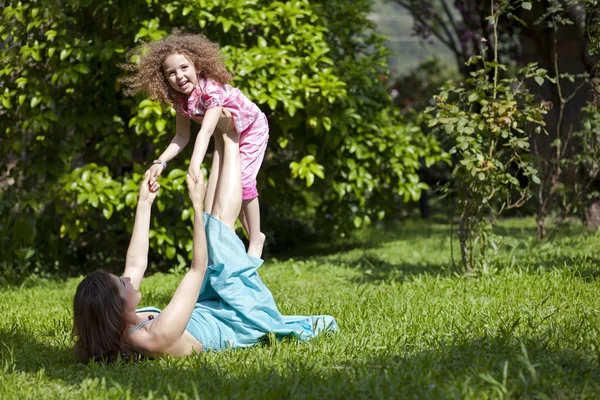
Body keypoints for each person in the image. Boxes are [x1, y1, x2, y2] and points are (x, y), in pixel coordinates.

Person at [72, 126, 337, 363]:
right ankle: (232, 136)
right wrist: (195, 206)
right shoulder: (154, 338)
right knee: (217, 225)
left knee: (213, 213)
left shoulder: (124, 325)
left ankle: (221, 136)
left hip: (212, 302)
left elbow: (136, 262)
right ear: (114, 307)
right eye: (121, 283)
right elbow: (198, 268)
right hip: (239, 315)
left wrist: (145, 203)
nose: (127, 280)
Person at [121, 31, 268, 257]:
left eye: (184, 68)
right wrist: (160, 162)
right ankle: (252, 236)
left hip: (251, 128)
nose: (179, 76)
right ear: (164, 78)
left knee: (244, 181)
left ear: (197, 66)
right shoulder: (181, 102)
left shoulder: (211, 90)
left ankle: (256, 240)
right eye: (171, 72)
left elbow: (207, 130)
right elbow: (181, 137)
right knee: (233, 187)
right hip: (230, 133)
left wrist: (195, 163)